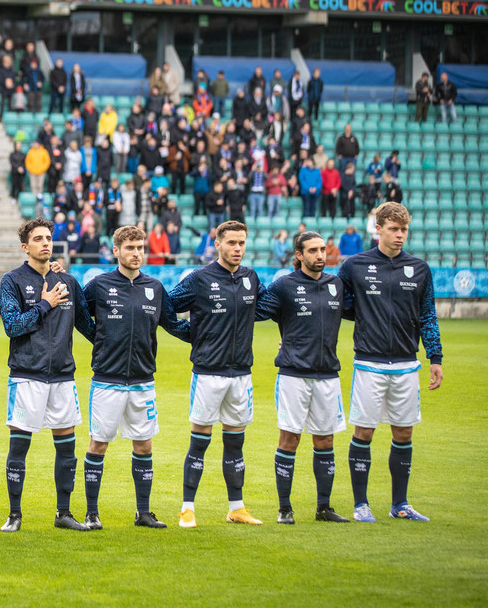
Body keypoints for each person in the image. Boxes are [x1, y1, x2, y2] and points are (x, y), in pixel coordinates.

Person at [338, 202, 443, 523]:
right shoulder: (354, 266)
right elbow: (338, 305)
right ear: (378, 229)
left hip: (406, 364)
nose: (400, 236)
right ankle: (361, 504)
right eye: (394, 229)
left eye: (404, 230)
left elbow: (427, 315)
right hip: (369, 363)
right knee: (364, 432)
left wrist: (435, 356)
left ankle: (400, 504)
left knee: (404, 434)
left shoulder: (420, 268)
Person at [81, 226, 189, 530]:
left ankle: (143, 512)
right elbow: (79, 316)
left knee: (144, 445)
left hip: (143, 381)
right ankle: (92, 512)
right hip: (107, 380)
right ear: (116, 251)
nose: (137, 253)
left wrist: (204, 338)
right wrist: (100, 340)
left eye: (141, 247)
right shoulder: (99, 286)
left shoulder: (154, 287)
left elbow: (173, 324)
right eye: (130, 248)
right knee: (98, 444)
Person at [168, 221, 267, 527]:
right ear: (218, 244)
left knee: (235, 443)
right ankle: (187, 508)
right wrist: (193, 335)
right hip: (209, 372)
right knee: (200, 441)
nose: (237, 248)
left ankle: (236, 508)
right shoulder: (199, 279)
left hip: (241, 374)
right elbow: (165, 308)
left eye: (242, 243)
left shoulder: (251, 278)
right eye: (232, 243)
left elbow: (266, 309)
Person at [0, 218, 94, 532]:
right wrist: (44, 303)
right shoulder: (12, 280)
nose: (45, 243)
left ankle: (64, 514)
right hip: (27, 375)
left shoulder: (67, 280)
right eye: (38, 239)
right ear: (25, 247)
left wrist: (111, 349)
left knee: (67, 446)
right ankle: (14, 515)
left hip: (63, 376)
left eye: (48, 238)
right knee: (19, 447)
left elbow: (86, 324)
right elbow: (12, 325)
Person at [254, 231, 351, 525]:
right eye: (313, 250)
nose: (320, 255)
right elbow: (257, 311)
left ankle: (324, 507)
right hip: (294, 375)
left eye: (322, 250)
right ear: (299, 255)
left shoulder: (336, 285)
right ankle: (285, 508)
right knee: (290, 438)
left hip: (328, 376)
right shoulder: (284, 285)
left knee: (325, 440)